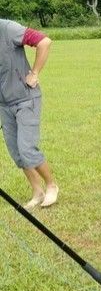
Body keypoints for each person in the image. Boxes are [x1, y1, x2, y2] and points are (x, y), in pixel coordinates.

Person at [0, 19, 57, 209]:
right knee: (16, 153)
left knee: (26, 148)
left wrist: (34, 73)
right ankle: (37, 191)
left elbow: (44, 41)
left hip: (26, 99)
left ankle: (51, 185)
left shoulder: (8, 29)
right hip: (4, 104)